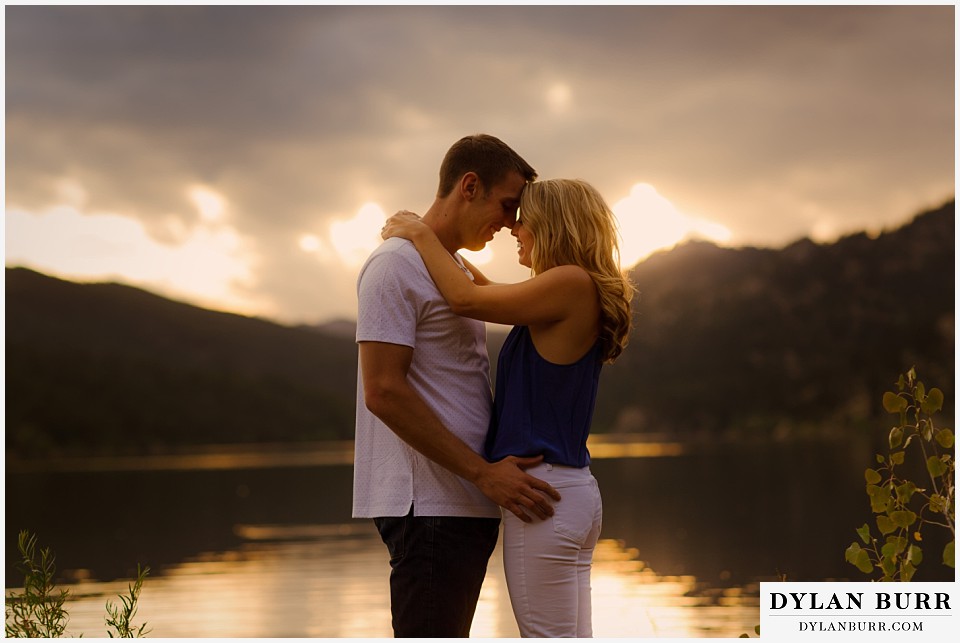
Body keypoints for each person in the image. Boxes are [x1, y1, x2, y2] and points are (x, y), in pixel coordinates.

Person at [381, 178, 635, 638]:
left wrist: (421, 234)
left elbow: (466, 299)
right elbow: (484, 291)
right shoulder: (573, 289)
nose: (514, 230)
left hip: (543, 495)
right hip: (569, 492)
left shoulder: (569, 282)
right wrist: (450, 254)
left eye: (524, 221)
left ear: (552, 225)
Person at [352, 134, 562, 638]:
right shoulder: (395, 265)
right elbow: (382, 390)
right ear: (470, 186)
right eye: (507, 204)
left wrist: (485, 479)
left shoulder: (456, 272)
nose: (511, 223)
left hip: (462, 501)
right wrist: (483, 473)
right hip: (430, 506)